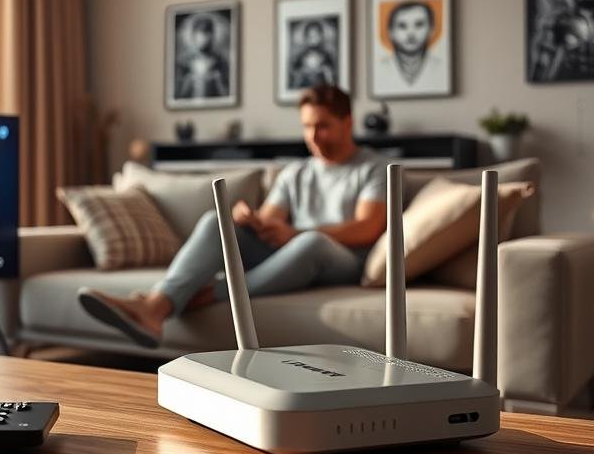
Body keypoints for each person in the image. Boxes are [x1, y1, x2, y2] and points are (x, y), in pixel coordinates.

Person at [77, 85, 388, 348]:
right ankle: (155, 308)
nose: (313, 136)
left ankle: (208, 294)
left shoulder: (372, 167)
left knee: (311, 242)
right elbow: (270, 220)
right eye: (307, 127)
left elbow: (368, 227)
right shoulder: (296, 173)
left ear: (347, 122)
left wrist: (294, 235)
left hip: (342, 259)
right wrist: (250, 220)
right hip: (292, 253)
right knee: (217, 222)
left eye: (322, 126)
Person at [175, 15, 229, 99]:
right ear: (194, 36)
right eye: (200, 34)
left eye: (207, 34)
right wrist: (191, 79)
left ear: (212, 35)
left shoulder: (220, 60)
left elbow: (226, 94)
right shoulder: (184, 61)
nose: (204, 38)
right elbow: (179, 94)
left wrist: (215, 78)